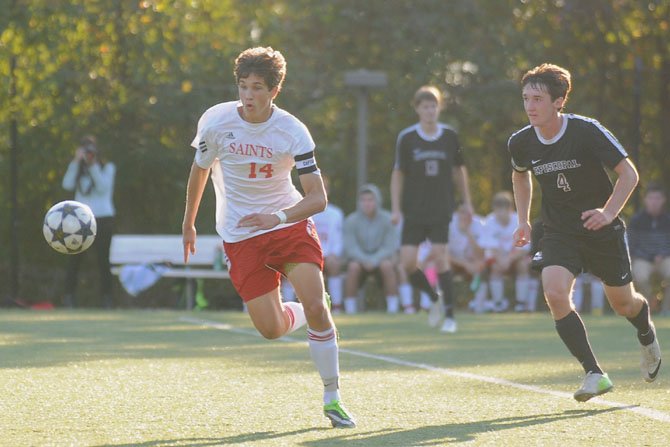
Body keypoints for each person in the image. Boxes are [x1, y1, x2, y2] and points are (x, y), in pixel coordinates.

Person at [181, 47, 355, 428]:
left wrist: (275, 217)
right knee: (271, 329)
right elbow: (200, 170)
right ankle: (299, 311)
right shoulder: (216, 121)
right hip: (241, 235)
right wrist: (188, 222)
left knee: (316, 306)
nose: (247, 95)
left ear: (274, 91)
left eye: (257, 87)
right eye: (243, 86)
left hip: (287, 226)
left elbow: (317, 198)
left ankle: (333, 397)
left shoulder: (292, 131)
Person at [509, 63, 662, 402]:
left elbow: (629, 174)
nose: (530, 106)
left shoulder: (586, 130)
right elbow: (520, 175)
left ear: (559, 101)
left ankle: (646, 335)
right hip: (559, 230)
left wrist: (608, 212)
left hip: (601, 229)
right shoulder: (520, 142)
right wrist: (523, 219)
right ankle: (594, 372)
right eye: (525, 99)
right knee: (555, 292)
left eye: (538, 98)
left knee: (623, 303)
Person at [390, 85, 473, 333]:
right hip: (414, 210)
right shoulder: (407, 137)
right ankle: (433, 297)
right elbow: (398, 173)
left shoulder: (449, 136)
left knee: (440, 256)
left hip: (441, 208)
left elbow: (459, 170)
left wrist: (467, 202)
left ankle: (450, 316)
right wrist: (396, 208)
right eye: (425, 106)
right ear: (417, 109)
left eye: (433, 105)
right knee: (406, 264)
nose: (430, 111)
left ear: (439, 108)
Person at [61, 135, 116, 308]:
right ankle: (69, 297)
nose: (88, 155)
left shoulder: (107, 168)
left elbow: (102, 188)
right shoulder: (77, 168)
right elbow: (67, 185)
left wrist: (93, 167)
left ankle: (107, 299)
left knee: (103, 260)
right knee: (74, 260)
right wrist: (76, 162)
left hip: (103, 219)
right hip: (80, 220)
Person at [342, 184, 399, 314]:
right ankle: (350, 309)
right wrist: (365, 259)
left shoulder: (388, 219)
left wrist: (374, 260)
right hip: (358, 261)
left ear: (377, 201)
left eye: (370, 200)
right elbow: (351, 247)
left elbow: (389, 246)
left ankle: (393, 308)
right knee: (353, 267)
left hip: (381, 260)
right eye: (363, 200)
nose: (367, 203)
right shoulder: (351, 220)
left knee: (387, 266)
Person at [478, 191, 532, 313]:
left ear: (510, 209)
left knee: (522, 265)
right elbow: (490, 247)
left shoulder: (519, 221)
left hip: (514, 259)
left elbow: (524, 248)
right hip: (498, 260)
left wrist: (509, 259)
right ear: (494, 209)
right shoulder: (489, 221)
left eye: (504, 209)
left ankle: (521, 304)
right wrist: (502, 260)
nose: (501, 214)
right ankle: (498, 304)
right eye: (498, 210)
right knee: (496, 268)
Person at [628, 182, 670, 315]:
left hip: (664, 258)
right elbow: (632, 245)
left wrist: (662, 254)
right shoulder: (636, 220)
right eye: (651, 198)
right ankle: (649, 306)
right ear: (645, 200)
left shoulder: (668, 220)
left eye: (657, 198)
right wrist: (649, 257)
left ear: (663, 200)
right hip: (643, 259)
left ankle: (666, 309)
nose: (654, 202)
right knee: (640, 277)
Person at [311, 176, 345, 312]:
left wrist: (333, 254)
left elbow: (338, 240)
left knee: (333, 264)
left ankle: (336, 307)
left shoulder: (336, 213)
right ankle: (290, 307)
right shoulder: (302, 212)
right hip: (308, 256)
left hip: (328, 255)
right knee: (290, 266)